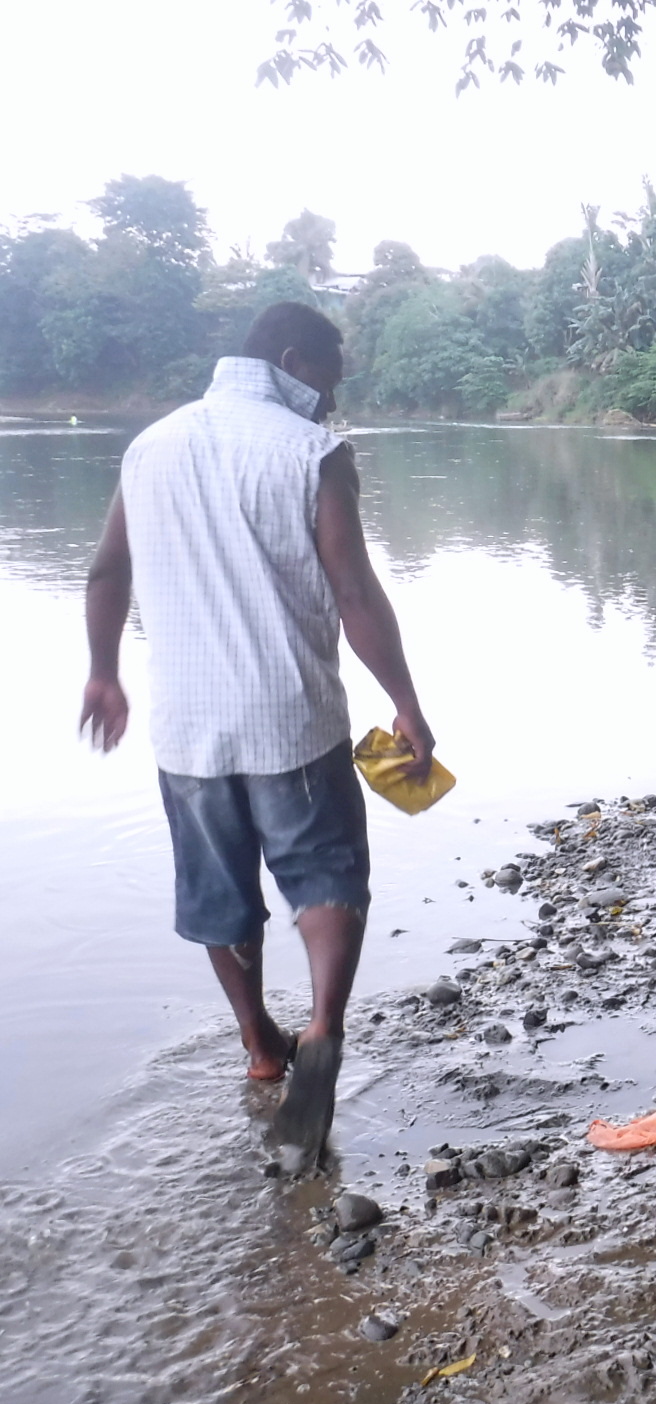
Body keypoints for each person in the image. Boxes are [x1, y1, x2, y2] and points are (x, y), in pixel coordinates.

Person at [78, 301, 434, 1162]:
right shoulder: (312, 453)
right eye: (328, 381)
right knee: (325, 878)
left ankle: (261, 1049)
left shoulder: (149, 446)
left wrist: (102, 672)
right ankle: (321, 1030)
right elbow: (354, 593)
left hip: (187, 731)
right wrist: (407, 704)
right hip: (291, 718)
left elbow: (106, 569)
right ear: (291, 360)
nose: (331, 402)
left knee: (219, 897)